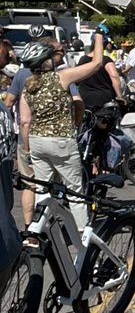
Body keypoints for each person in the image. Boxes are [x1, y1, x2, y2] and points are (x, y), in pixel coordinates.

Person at [17, 33, 105, 232]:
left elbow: (24, 121)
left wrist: (27, 148)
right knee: (75, 192)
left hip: (37, 142)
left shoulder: (28, 85)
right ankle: (83, 234)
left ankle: (37, 232)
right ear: (48, 60)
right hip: (61, 141)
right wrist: (99, 37)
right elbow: (97, 64)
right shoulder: (61, 77)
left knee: (42, 190)